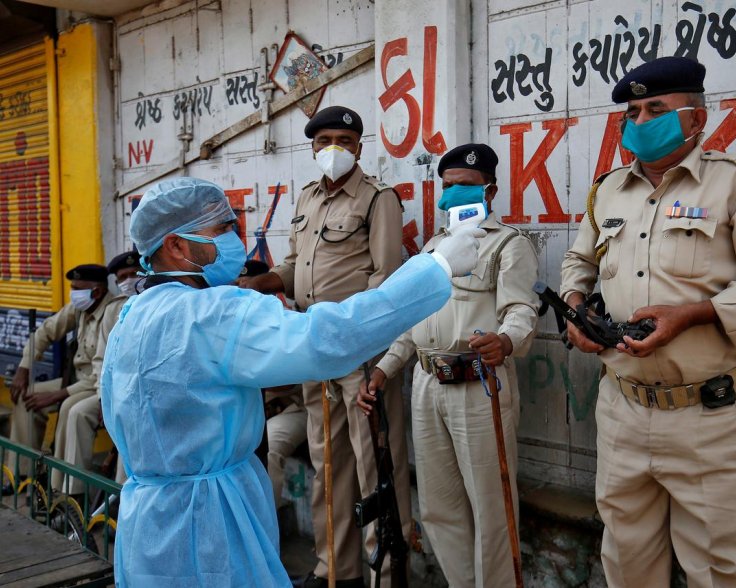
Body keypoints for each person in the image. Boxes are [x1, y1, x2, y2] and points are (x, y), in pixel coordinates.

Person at [101, 177, 484, 587]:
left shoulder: (132, 315)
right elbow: (327, 339)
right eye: (223, 230)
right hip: (209, 527)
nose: (235, 241)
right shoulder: (211, 314)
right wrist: (435, 269)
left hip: (147, 528)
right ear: (177, 246)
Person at [559, 57, 736, 588]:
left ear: (696, 119)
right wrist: (575, 304)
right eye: (632, 111)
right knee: (626, 567)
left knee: (717, 572)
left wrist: (694, 314)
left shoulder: (734, 184)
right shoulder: (607, 190)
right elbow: (578, 261)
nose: (640, 120)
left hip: (708, 418)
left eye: (656, 109)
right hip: (622, 412)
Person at [239, 106, 409, 588]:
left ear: (358, 146)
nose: (333, 148)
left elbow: (385, 280)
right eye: (324, 140)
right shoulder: (308, 198)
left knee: (375, 466)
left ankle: (382, 573)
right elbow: (294, 266)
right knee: (326, 464)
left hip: (360, 353)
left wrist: (363, 341)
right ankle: (335, 569)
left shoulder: (378, 200)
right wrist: (263, 282)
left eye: (343, 140)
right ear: (313, 147)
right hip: (314, 348)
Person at [358, 144, 539, 588]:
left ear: (490, 190)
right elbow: (412, 320)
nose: (454, 195)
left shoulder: (508, 243)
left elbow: (522, 309)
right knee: (439, 508)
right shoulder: (434, 248)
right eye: (448, 186)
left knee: (492, 507)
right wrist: (385, 369)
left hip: (479, 383)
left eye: (466, 187)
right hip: (426, 384)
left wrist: (507, 340)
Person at [5, 264, 112, 484]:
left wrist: (59, 394)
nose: (73, 293)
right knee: (24, 398)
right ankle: (24, 476)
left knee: (69, 407)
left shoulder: (111, 312)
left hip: (96, 386)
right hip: (77, 381)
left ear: (98, 291)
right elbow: (44, 332)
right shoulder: (80, 308)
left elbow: (101, 373)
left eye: (77, 289)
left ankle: (63, 484)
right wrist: (24, 368)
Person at [59, 250, 140, 496]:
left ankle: (119, 500)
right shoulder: (115, 310)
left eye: (133, 274)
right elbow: (102, 361)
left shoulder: (159, 301)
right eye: (122, 277)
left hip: (145, 392)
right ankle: (72, 493)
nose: (128, 281)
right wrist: (106, 398)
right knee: (74, 410)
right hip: (115, 391)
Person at [240, 258, 308, 506]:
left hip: (294, 408)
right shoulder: (236, 321)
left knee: (269, 447)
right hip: (255, 411)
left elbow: (285, 384)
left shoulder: (284, 318)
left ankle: (269, 525)